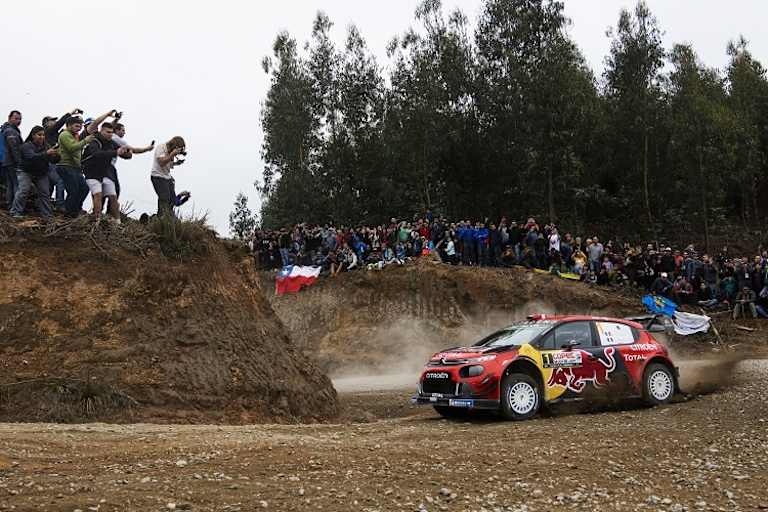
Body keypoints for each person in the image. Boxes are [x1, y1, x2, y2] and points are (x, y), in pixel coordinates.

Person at [81, 123, 131, 221]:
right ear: (101, 131)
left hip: (105, 173)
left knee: (113, 196)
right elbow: (96, 154)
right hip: (92, 173)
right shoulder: (94, 141)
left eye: (111, 133)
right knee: (98, 194)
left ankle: (117, 221)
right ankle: (97, 219)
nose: (110, 134)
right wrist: (115, 152)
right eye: (107, 132)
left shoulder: (112, 142)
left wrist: (127, 152)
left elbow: (126, 154)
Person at [9, 126, 59, 218]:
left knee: (45, 193)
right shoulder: (26, 146)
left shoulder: (46, 146)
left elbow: (53, 160)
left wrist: (57, 155)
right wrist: (47, 153)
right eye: (39, 135)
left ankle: (47, 215)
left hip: (41, 173)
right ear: (33, 136)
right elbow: (32, 157)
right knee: (24, 190)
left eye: (43, 135)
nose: (42, 137)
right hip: (26, 171)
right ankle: (15, 212)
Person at [43, 109, 81, 210]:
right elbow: (59, 124)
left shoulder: (57, 134)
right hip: (51, 163)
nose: (55, 122)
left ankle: (50, 204)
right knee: (60, 182)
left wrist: (75, 121)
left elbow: (69, 131)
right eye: (52, 120)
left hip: (57, 162)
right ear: (46, 123)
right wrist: (70, 114)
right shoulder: (47, 132)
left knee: (51, 184)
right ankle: (60, 205)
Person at [57, 117, 94, 217]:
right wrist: (85, 141)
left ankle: (75, 209)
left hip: (75, 167)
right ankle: (68, 214)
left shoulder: (75, 136)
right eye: (77, 126)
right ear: (69, 125)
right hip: (66, 165)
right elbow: (71, 148)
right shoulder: (65, 134)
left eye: (80, 126)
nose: (79, 128)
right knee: (73, 190)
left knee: (84, 188)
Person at [150, 136, 186, 216]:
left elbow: (168, 164)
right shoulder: (161, 147)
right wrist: (172, 154)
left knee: (172, 200)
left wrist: (176, 163)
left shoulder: (171, 152)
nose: (178, 151)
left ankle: (168, 217)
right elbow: (162, 163)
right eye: (179, 148)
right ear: (175, 145)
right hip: (157, 176)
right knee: (164, 197)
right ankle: (161, 217)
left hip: (167, 177)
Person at [1, 111, 23, 209]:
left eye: (20, 119)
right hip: (12, 161)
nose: (18, 121)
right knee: (16, 184)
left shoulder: (5, 129)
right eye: (16, 118)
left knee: (10, 184)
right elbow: (14, 148)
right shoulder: (10, 131)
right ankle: (15, 207)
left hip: (6, 161)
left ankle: (10, 205)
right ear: (10, 118)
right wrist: (19, 162)